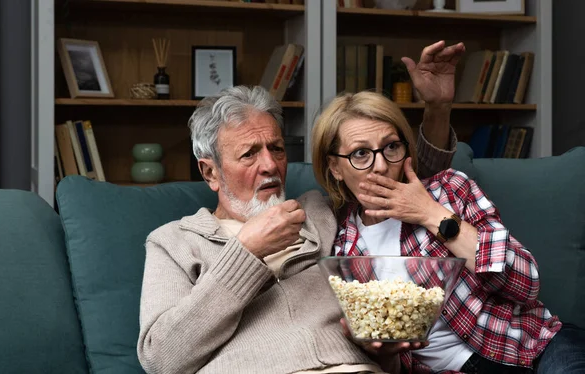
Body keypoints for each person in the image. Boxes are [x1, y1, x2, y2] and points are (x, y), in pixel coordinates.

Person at [137, 41, 465, 374]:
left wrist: (437, 108)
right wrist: (246, 252)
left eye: (277, 148)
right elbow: (162, 358)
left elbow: (408, 183)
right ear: (210, 172)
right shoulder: (174, 242)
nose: (270, 165)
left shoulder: (322, 211)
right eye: (249, 154)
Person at [311, 90, 585, 374]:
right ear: (335, 167)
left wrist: (429, 213)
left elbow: (526, 284)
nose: (381, 165)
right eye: (361, 154)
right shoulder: (340, 247)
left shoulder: (448, 190)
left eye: (391, 146)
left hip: (536, 347)